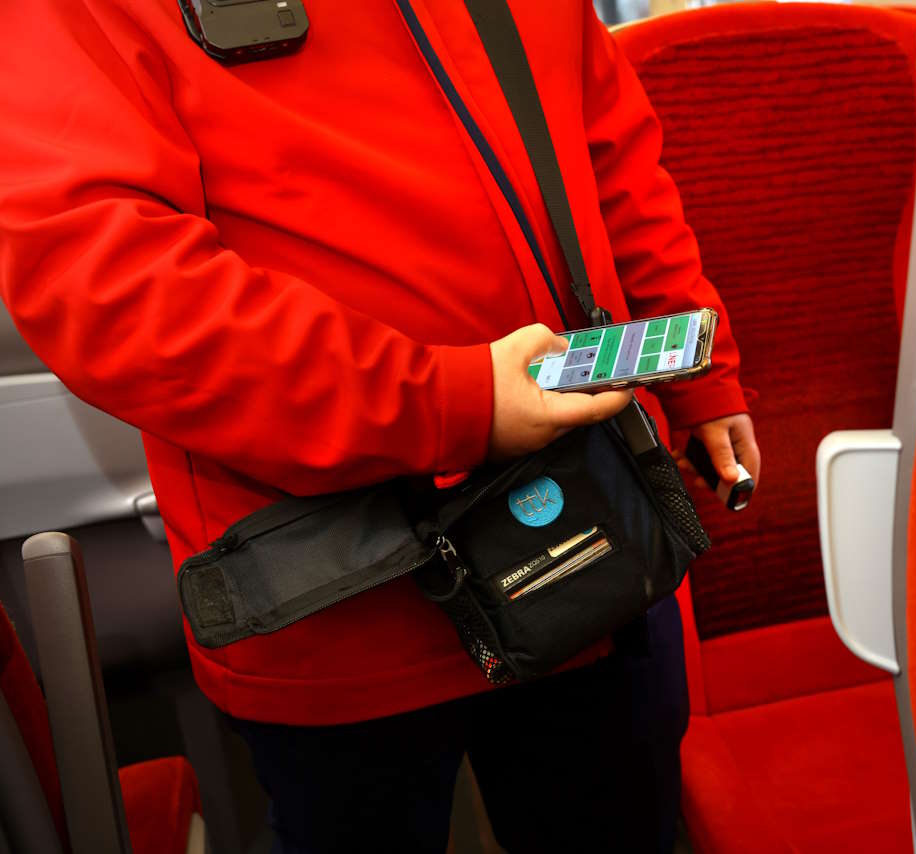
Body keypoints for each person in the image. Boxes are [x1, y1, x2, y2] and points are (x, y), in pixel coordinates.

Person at [0, 1, 760, 851]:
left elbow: (608, 156)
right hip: (332, 592)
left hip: (591, 539)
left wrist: (702, 370)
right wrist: (446, 401)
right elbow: (110, 288)